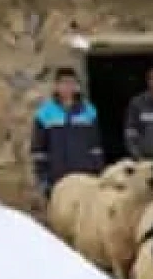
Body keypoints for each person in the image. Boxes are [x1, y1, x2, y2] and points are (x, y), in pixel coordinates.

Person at [30, 67, 104, 200]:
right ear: (56, 86)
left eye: (72, 83)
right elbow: (38, 150)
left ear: (77, 86)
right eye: (64, 83)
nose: (68, 87)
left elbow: (96, 147)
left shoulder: (89, 111)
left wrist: (97, 173)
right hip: (57, 179)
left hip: (84, 178)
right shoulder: (45, 113)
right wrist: (43, 179)